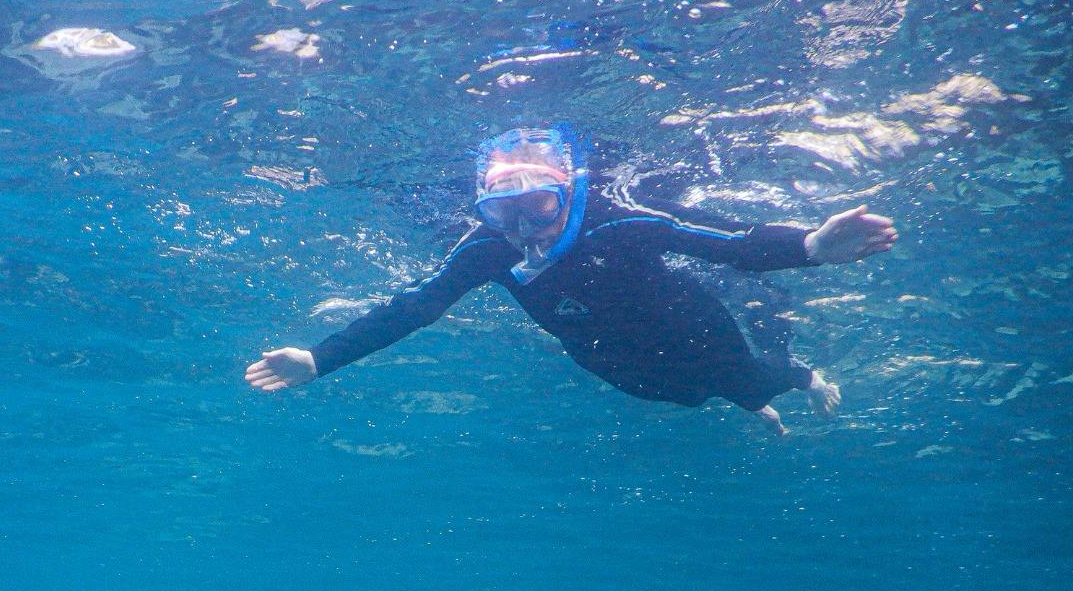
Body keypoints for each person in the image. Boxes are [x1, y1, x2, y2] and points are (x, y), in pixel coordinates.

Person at [244, 125, 897, 435]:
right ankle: (750, 398)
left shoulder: (616, 222)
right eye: (504, 211)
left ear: (568, 195)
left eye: (540, 206)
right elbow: (413, 308)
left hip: (688, 325)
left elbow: (727, 243)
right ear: (484, 211)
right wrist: (320, 358)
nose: (525, 226)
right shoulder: (486, 250)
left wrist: (810, 246)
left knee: (744, 380)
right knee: (682, 401)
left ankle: (803, 377)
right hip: (606, 356)